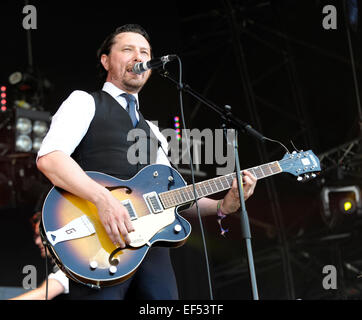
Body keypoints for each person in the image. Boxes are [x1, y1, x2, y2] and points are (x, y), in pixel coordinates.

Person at [36, 24, 257, 300]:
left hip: (151, 251)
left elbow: (172, 196)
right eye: (127, 49)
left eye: (144, 52)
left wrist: (224, 205)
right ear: (106, 60)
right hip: (98, 243)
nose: (138, 57)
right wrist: (104, 200)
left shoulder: (152, 132)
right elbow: (51, 159)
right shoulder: (84, 102)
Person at [10, 211, 69, 300]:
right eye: (36, 236)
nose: (37, 242)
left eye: (41, 236)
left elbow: (43, 295)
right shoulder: (60, 269)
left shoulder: (73, 269)